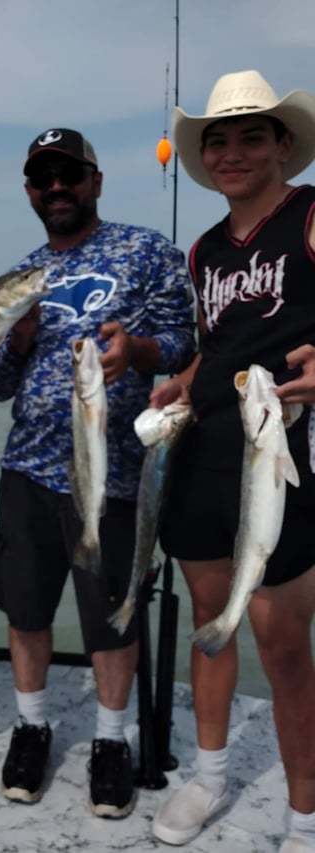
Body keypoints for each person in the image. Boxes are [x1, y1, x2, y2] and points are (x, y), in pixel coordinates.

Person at [0, 128, 196, 816]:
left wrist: (134, 349)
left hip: (116, 470)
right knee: (25, 608)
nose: (56, 188)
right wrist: (15, 338)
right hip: (28, 468)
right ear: (30, 194)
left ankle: (111, 738)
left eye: (68, 176)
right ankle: (32, 723)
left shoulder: (147, 250)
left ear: (95, 181)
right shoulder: (20, 273)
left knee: (111, 614)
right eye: (43, 179)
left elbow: (184, 344)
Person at [149, 70, 315, 853]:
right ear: (203, 156)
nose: (235, 152)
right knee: (210, 621)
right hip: (206, 450)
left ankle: (304, 810)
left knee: (282, 638)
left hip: (285, 448)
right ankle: (210, 773)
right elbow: (220, 349)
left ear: (285, 144)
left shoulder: (312, 215)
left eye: (254, 135)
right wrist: (175, 386)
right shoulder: (204, 251)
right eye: (220, 139)